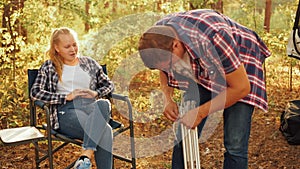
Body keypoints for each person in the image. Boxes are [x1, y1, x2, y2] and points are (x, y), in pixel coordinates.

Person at [138, 9, 271, 169]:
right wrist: (168, 99)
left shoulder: (214, 36)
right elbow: (163, 68)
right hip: (205, 68)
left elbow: (241, 88)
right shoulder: (158, 36)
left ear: (176, 45)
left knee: (235, 144)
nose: (170, 70)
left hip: (241, 62)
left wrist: (201, 112)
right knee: (184, 134)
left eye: (170, 65)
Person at [31, 27, 114, 169]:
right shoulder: (49, 67)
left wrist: (95, 93)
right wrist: (66, 97)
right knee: (105, 131)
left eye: (74, 44)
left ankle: (84, 157)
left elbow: (109, 85)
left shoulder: (89, 63)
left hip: (92, 108)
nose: (73, 49)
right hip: (66, 111)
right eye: (67, 46)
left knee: (104, 104)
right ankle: (86, 157)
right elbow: (35, 92)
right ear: (57, 48)